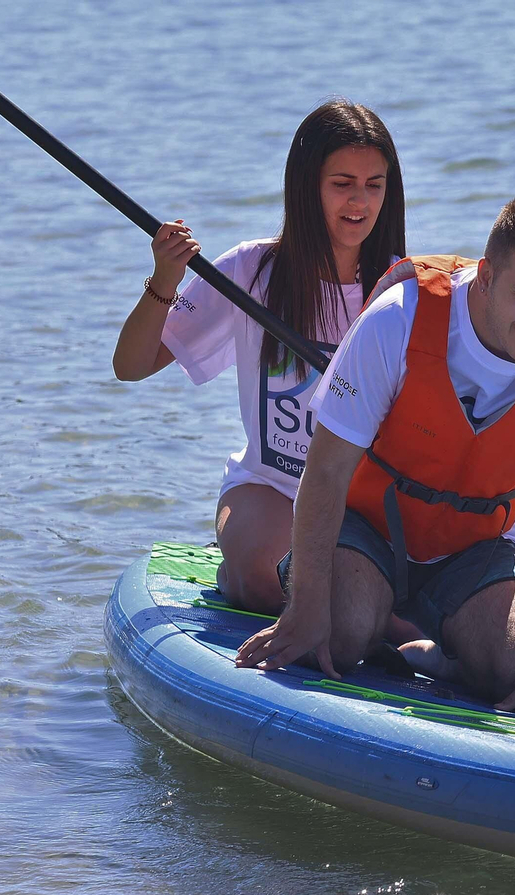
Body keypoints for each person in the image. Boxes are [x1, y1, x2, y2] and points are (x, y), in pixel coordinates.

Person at [236, 193, 515, 726]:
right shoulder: (397, 318)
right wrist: (308, 604)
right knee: (336, 637)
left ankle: (436, 653)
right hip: (369, 529)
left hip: (474, 547)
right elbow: (326, 470)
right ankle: (346, 607)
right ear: (486, 275)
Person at [112, 100, 405, 614]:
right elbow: (131, 366)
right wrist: (165, 279)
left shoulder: (402, 288)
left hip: (360, 502)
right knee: (268, 581)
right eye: (342, 183)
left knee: (360, 603)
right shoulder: (250, 270)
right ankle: (236, 565)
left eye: (374, 185)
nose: (360, 201)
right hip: (269, 489)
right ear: (306, 186)